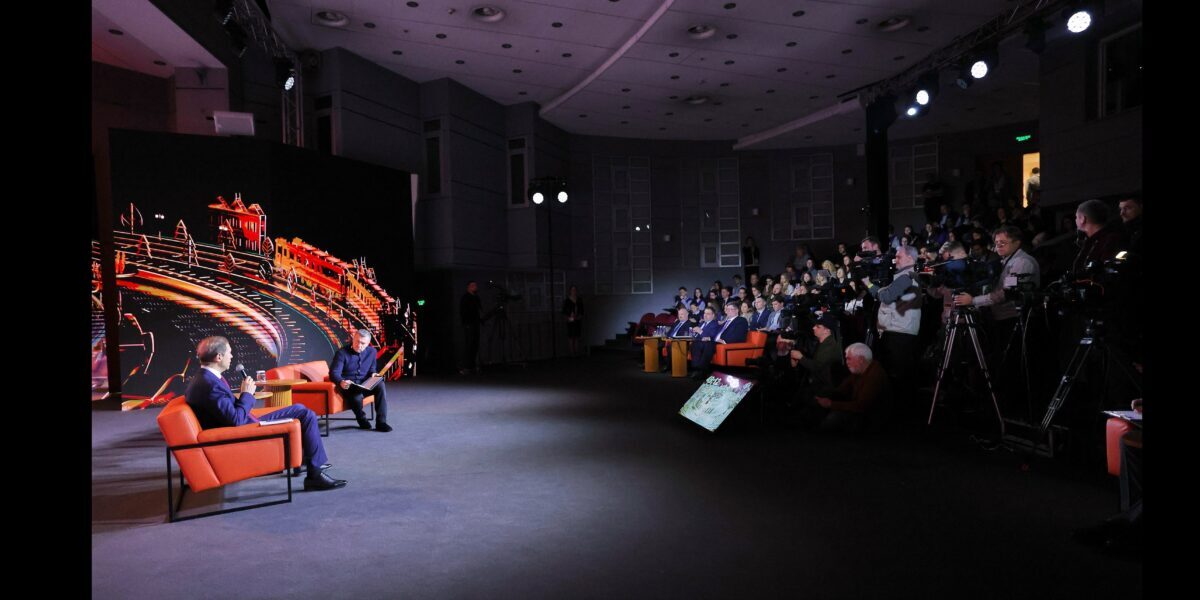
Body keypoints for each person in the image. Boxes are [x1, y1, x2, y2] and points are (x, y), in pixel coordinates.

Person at [185, 336, 346, 491]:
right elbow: (236, 420)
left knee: (300, 410)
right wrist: (246, 394)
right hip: (247, 429)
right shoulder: (210, 384)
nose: (232, 356)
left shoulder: (205, 378)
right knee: (306, 415)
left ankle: (308, 460)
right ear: (219, 357)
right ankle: (314, 474)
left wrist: (246, 396)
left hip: (247, 421)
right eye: (229, 352)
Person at [861, 245, 922, 412]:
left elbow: (886, 297)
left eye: (899, 256)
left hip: (899, 333)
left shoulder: (906, 276)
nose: (895, 260)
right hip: (900, 331)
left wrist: (868, 284)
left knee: (898, 375)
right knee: (900, 375)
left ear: (910, 258)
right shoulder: (905, 277)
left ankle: (900, 412)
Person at [812, 343, 890, 432]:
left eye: (849, 359)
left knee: (833, 419)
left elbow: (862, 406)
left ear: (861, 360)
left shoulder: (874, 375)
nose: (847, 362)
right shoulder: (859, 370)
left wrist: (831, 404)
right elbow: (842, 389)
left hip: (869, 419)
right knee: (824, 396)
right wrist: (826, 396)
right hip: (858, 410)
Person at [330, 329, 392, 432]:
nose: (359, 345)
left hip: (365, 384)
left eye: (363, 343)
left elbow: (372, 369)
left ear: (368, 344)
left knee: (380, 385)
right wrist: (341, 381)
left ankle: (381, 422)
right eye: (357, 341)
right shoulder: (341, 353)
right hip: (349, 386)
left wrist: (373, 374)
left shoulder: (372, 352)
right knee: (356, 397)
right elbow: (334, 373)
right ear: (353, 339)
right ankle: (361, 418)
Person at [689, 302, 748, 379]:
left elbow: (738, 335)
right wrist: (710, 338)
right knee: (696, 343)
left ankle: (701, 371)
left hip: (725, 343)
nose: (728, 311)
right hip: (715, 341)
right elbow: (718, 333)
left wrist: (724, 341)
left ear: (737, 310)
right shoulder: (725, 321)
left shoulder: (741, 320)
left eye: (731, 309)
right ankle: (696, 368)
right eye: (727, 309)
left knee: (708, 345)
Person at [459, 281, 482, 375]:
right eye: (473, 285)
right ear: (468, 287)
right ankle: (465, 367)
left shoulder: (476, 297)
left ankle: (472, 366)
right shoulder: (465, 298)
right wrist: (466, 323)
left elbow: (479, 310)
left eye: (475, 285)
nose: (475, 287)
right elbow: (463, 312)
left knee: (475, 345)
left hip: (476, 324)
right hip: (469, 324)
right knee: (469, 345)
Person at [562, 285, 584, 357]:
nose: (574, 291)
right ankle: (572, 353)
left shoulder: (579, 300)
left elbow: (582, 311)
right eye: (572, 290)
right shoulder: (567, 301)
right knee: (571, 337)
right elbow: (564, 312)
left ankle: (576, 353)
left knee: (577, 337)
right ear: (570, 291)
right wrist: (569, 318)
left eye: (575, 290)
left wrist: (579, 316)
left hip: (577, 321)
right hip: (570, 321)